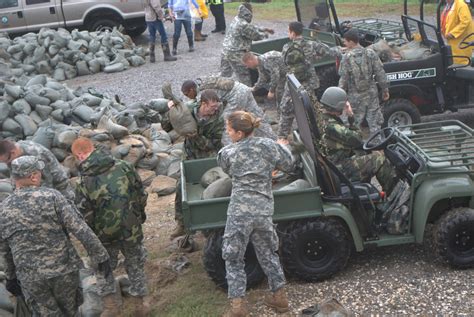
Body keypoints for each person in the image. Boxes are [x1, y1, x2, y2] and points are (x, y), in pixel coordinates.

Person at [0, 156, 110, 316]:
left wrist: (10, 278)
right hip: (63, 271)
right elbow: (80, 229)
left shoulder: (3, 209)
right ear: (33, 176)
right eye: (38, 172)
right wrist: (101, 256)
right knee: (70, 312)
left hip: (32, 278)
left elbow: (4, 248)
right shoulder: (53, 196)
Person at [217, 111, 294, 316]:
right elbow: (289, 164)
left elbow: (227, 169)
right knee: (268, 253)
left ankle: (238, 308)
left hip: (239, 212)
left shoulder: (228, 153)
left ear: (240, 133)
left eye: (230, 130)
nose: (227, 132)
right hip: (263, 209)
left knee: (233, 257)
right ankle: (280, 299)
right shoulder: (269, 146)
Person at [72, 138, 149, 316]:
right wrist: (138, 217)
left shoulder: (83, 181)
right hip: (131, 227)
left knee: (103, 268)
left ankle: (111, 308)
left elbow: (84, 214)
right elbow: (140, 193)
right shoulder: (124, 166)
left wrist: (91, 239)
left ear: (81, 155)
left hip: (103, 236)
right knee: (135, 263)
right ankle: (143, 304)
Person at [317, 87, 397, 195]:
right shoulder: (331, 126)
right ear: (338, 106)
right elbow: (357, 139)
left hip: (331, 163)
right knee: (379, 158)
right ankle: (393, 196)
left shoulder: (321, 118)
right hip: (337, 169)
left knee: (364, 152)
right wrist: (351, 117)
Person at [168, 89, 225, 238]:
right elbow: (167, 125)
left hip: (208, 156)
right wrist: (171, 110)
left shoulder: (218, 120)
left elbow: (212, 144)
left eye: (217, 107)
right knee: (181, 187)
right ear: (203, 104)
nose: (215, 110)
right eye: (212, 107)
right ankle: (181, 223)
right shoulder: (188, 111)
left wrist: (195, 136)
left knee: (213, 186)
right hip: (189, 154)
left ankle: (209, 220)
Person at [278, 21, 341, 142]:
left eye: (288, 31)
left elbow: (284, 64)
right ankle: (314, 135)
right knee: (310, 109)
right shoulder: (311, 44)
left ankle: (282, 137)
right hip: (308, 83)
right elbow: (329, 51)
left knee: (286, 109)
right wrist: (342, 49)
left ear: (292, 32)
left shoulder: (287, 47)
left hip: (293, 83)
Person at [338, 29, 389, 137]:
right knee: (375, 123)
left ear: (351, 42)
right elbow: (380, 73)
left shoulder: (346, 58)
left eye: (345, 42)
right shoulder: (370, 53)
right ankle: (377, 147)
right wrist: (385, 90)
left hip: (355, 97)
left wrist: (340, 98)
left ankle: (356, 147)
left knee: (353, 123)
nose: (345, 44)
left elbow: (343, 80)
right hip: (371, 95)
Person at [197, 75, 277, 144]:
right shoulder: (205, 81)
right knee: (258, 117)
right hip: (243, 88)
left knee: (229, 122)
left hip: (236, 94)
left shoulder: (201, 93)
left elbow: (214, 105)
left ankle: (228, 147)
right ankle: (275, 140)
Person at [0, 139, 75, 200]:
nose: (6, 164)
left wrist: (46, 199)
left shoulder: (36, 153)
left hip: (57, 182)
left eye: (6, 160)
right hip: (37, 181)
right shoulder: (11, 159)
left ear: (13, 153)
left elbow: (48, 179)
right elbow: (15, 178)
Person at [220, 3, 274, 87]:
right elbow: (256, 36)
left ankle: (220, 93)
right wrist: (266, 34)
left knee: (225, 75)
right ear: (248, 14)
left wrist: (264, 29)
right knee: (244, 76)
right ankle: (248, 96)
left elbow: (250, 27)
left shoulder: (237, 19)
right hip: (236, 53)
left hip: (225, 51)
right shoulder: (243, 25)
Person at [441, 0, 474, 65]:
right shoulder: (449, 5)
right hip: (452, 41)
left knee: (461, 62)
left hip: (461, 40)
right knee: (453, 60)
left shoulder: (461, 5)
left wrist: (452, 33)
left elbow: (465, 21)